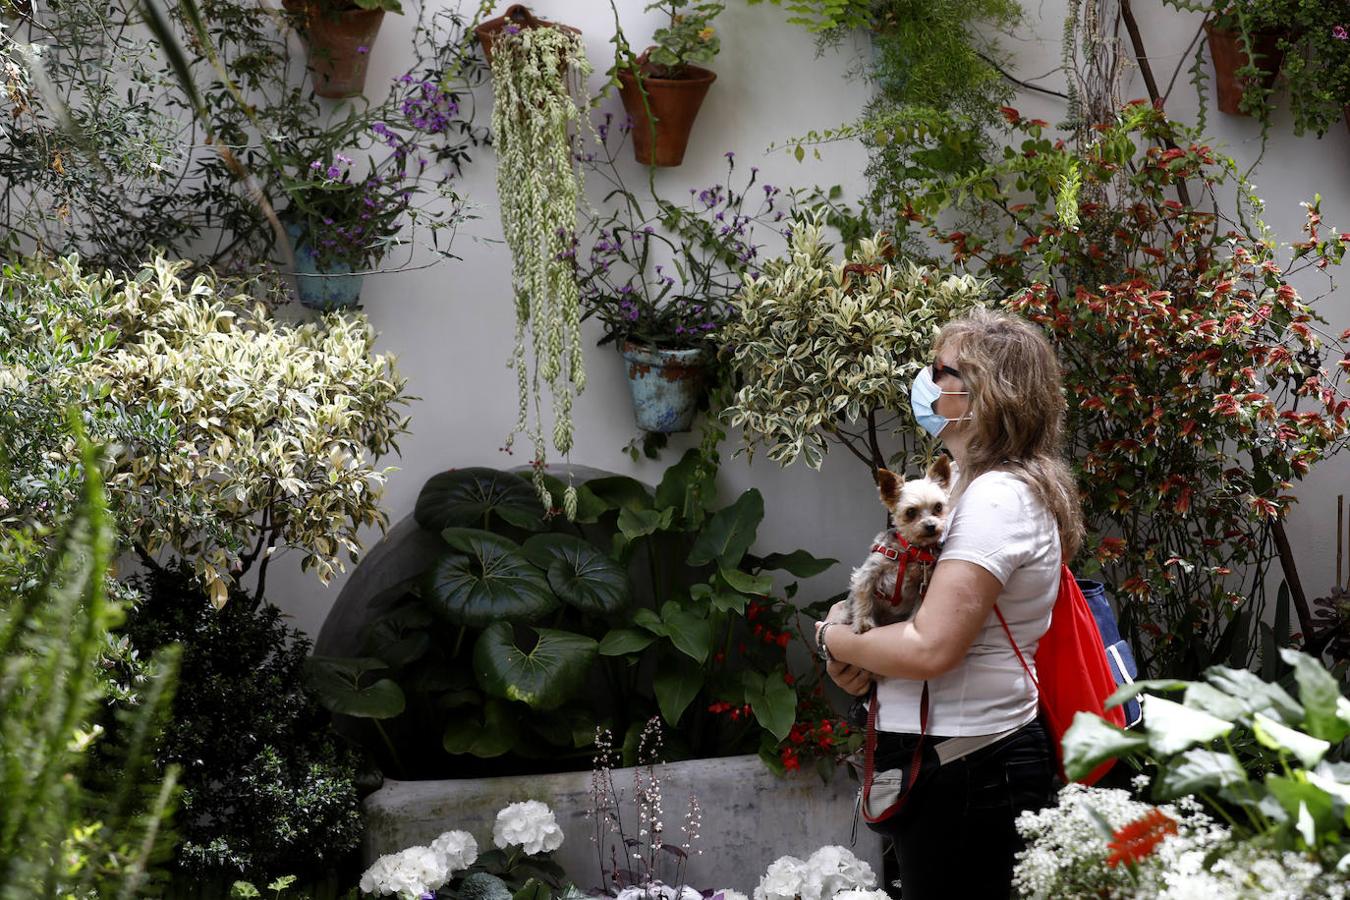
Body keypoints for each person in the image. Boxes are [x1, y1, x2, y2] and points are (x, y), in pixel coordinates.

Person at [814, 307, 1083, 898]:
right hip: (962, 758)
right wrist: (858, 638)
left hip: (968, 766)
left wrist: (828, 639)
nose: (928, 382)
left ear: (984, 391)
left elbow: (929, 646)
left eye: (941, 369)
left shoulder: (995, 499)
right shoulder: (964, 488)